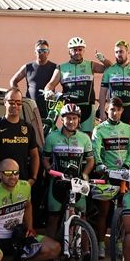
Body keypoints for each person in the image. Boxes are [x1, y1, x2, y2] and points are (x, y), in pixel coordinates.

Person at [91, 96, 130, 257]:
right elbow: (95, 149)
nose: (115, 113)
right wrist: (100, 164)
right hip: (106, 174)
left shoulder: (127, 128)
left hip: (123, 175)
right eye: (112, 109)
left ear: (122, 111)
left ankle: (118, 242)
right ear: (106, 110)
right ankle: (101, 244)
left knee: (123, 211)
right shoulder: (99, 129)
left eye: (118, 110)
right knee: (103, 211)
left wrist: (126, 165)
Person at [42, 103, 94, 240]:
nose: (71, 121)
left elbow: (90, 161)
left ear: (79, 120)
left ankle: (86, 250)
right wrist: (49, 171)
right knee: (53, 218)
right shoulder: (51, 137)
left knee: (82, 217)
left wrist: (85, 174)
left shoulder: (84, 138)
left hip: (78, 182)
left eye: (74, 118)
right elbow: (45, 159)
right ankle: (50, 249)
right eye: (68, 118)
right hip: (58, 182)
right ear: (62, 119)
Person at [44, 36, 110, 134]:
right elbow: (50, 84)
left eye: (80, 49)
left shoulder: (90, 65)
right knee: (69, 135)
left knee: (87, 135)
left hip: (87, 107)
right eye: (74, 50)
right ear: (69, 51)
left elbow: (110, 68)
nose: (77, 52)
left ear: (83, 50)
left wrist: (103, 59)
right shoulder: (61, 68)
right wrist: (48, 91)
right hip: (69, 108)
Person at [0, 87, 40, 188]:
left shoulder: (28, 128)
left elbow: (35, 155)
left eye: (18, 102)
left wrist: (33, 178)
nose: (15, 105)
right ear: (4, 102)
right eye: (11, 102)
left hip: (22, 184)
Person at [98, 40, 130, 127]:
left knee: (126, 134)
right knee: (111, 133)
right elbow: (102, 93)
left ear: (128, 52)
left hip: (129, 109)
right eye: (116, 52)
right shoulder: (109, 71)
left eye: (121, 51)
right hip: (113, 109)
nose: (118, 54)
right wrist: (102, 112)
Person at [9, 39, 58, 120]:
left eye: (44, 51)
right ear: (35, 52)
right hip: (31, 107)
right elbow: (13, 81)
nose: (42, 53)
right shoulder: (28, 67)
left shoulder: (55, 68)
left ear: (48, 52)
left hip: (48, 108)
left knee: (47, 128)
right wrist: (18, 96)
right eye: (39, 51)